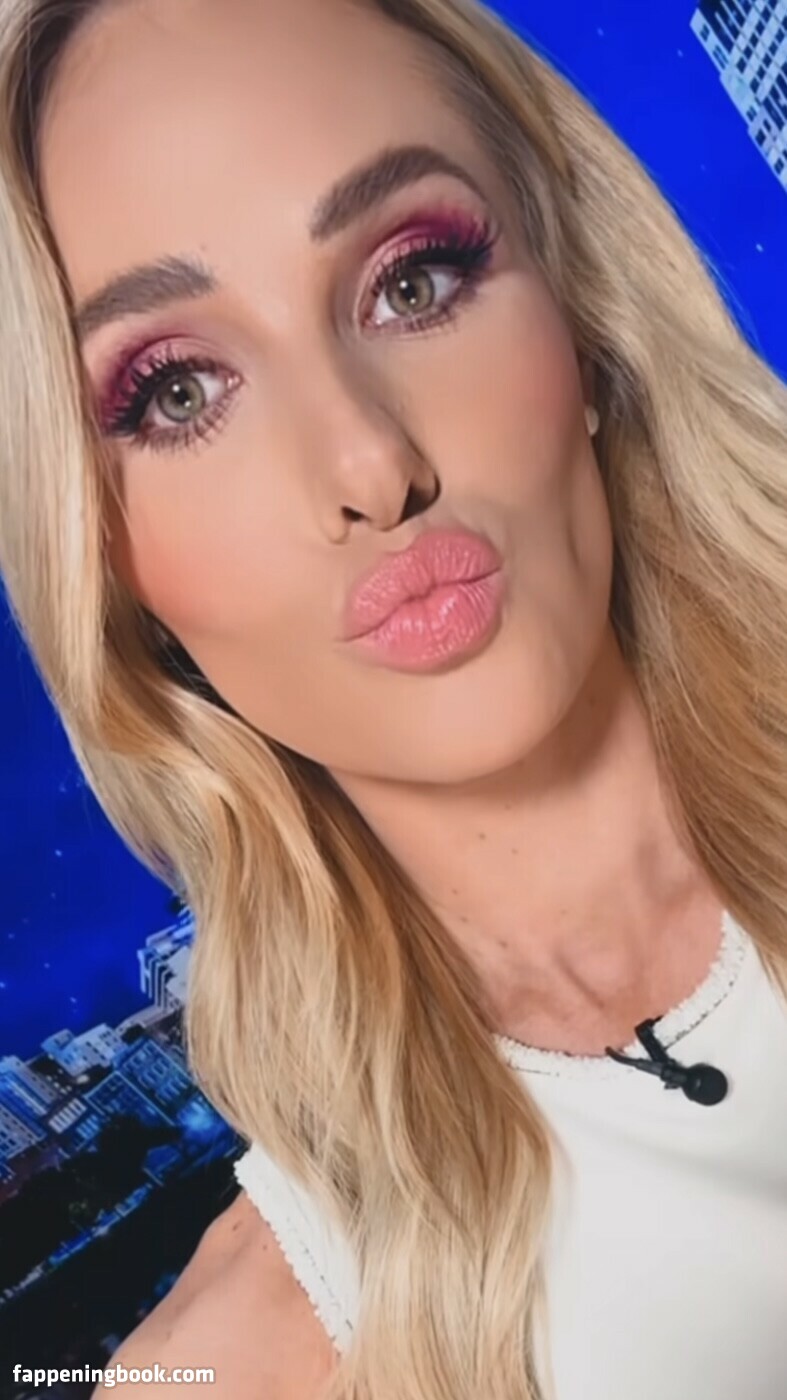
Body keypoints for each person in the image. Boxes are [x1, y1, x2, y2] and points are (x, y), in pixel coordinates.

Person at [0, 0, 786, 1395]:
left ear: (581, 312)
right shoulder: (252, 1362)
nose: (371, 464)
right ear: (106, 566)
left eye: (411, 282)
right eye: (177, 392)